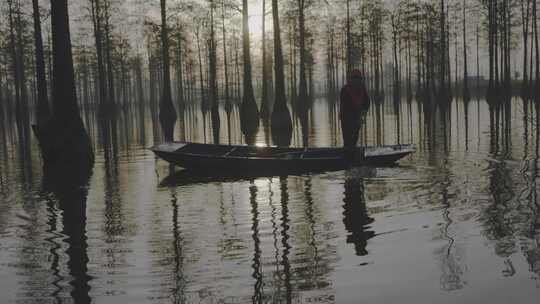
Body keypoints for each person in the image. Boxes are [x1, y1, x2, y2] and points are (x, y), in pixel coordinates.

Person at [340, 69, 370, 161]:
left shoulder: (362, 89)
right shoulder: (345, 90)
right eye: (355, 78)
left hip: (356, 118)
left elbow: (367, 103)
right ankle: (348, 157)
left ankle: (350, 157)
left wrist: (362, 114)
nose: (356, 81)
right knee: (349, 140)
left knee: (352, 140)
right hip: (347, 119)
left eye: (358, 79)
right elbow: (344, 105)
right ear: (351, 79)